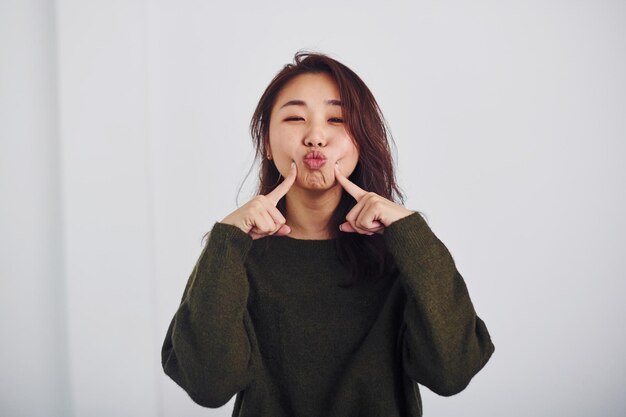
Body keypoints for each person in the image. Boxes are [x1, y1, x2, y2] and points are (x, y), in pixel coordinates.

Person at [161, 51, 495, 417]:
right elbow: (208, 386)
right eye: (294, 117)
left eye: (336, 119)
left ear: (362, 141)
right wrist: (225, 241)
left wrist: (412, 233)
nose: (316, 137)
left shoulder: (403, 252)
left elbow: (452, 373)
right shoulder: (235, 254)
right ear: (267, 145)